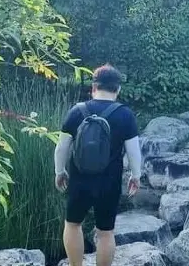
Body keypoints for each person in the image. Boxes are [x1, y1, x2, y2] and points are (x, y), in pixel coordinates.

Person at [53, 64, 141, 266]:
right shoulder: (125, 115)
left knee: (73, 225)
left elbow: (61, 148)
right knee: (105, 232)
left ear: (93, 87)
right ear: (117, 89)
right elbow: (134, 152)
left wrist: (60, 171)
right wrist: (135, 176)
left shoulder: (77, 111)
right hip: (109, 183)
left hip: (79, 180)